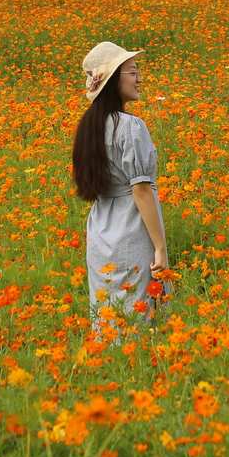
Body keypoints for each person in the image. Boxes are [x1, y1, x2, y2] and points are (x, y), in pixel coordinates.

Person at [72, 41, 169, 338]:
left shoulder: (90, 127)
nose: (138, 78)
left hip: (101, 230)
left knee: (108, 318)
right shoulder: (130, 126)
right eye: (132, 71)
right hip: (130, 226)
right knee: (138, 318)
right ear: (114, 79)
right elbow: (141, 191)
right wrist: (160, 248)